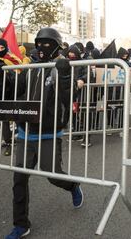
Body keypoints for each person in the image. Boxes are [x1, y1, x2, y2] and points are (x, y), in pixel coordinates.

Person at [6, 28, 83, 239]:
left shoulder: (63, 67)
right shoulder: (30, 67)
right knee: (19, 179)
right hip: (25, 132)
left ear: (57, 46)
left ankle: (73, 186)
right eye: (39, 43)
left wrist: (66, 75)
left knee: (53, 175)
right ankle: (21, 225)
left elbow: (69, 99)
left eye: (47, 44)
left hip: (49, 133)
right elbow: (14, 90)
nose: (42, 48)